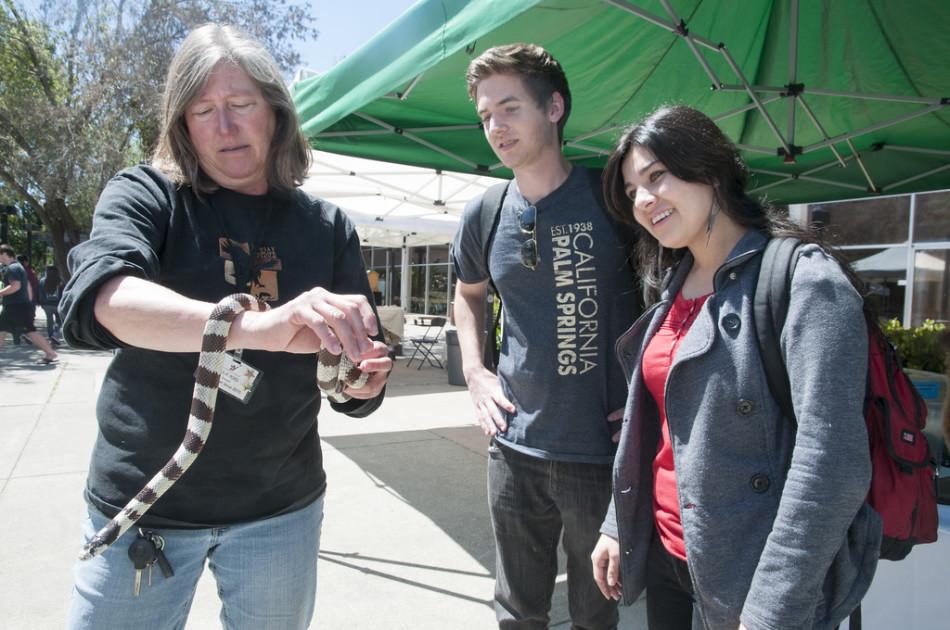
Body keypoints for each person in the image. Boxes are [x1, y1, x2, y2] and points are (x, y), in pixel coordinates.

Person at [61, 24, 391, 629]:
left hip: (280, 508)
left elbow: (352, 371)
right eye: (203, 110)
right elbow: (103, 300)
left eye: (240, 105)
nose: (224, 125)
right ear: (182, 124)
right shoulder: (149, 195)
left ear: (275, 113)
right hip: (147, 505)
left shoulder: (327, 226)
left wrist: (360, 384)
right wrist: (256, 327)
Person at [589, 105, 880, 630]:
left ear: (711, 168)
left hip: (756, 578)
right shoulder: (670, 285)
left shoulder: (804, 281)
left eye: (657, 177)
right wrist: (619, 521)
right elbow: (657, 427)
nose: (643, 200)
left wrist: (774, 607)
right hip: (668, 557)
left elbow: (832, 461)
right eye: (632, 191)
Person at [451, 43, 640, 629]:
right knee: (516, 610)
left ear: (554, 107)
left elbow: (670, 296)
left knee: (596, 615)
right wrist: (477, 373)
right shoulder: (484, 211)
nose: (495, 127)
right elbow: (468, 292)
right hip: (513, 446)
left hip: (601, 453)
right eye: (486, 116)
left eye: (509, 109)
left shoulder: (615, 199)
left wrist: (648, 399)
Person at [0, 244, 59, 363]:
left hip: (16, 306)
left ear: (5, 254)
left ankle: (51, 353)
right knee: (5, 330)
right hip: (19, 305)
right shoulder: (19, 267)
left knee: (30, 331)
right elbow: (27, 286)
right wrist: (29, 302)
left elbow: (15, 286)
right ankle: (51, 353)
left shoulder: (12, 269)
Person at [39, 264, 64, 343]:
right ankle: (55, 333)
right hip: (57, 304)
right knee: (59, 320)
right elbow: (64, 292)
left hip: (46, 304)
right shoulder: (60, 281)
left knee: (49, 321)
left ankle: (51, 337)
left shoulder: (42, 280)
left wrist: (41, 303)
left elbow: (39, 292)